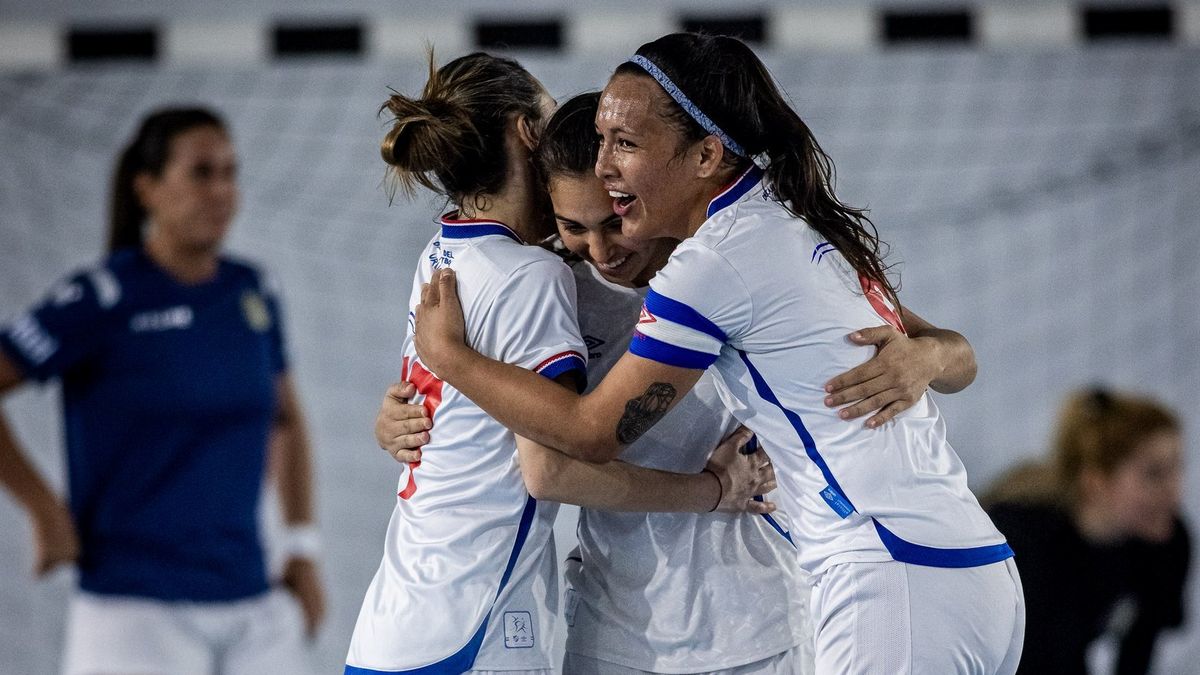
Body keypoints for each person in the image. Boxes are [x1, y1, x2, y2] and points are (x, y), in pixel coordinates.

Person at [410, 33, 1024, 674]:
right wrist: (411, 406)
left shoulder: (711, 265)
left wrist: (449, 357)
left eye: (625, 144)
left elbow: (590, 433)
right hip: (960, 565)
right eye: (602, 141)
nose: (605, 166)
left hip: (884, 572)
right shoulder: (785, 222)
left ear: (706, 153)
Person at [345, 54, 774, 675]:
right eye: (575, 226)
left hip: (408, 616)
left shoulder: (443, 254)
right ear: (528, 133)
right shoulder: (539, 275)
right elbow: (552, 466)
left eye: (613, 217)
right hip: (477, 625)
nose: (600, 250)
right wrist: (713, 490)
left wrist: (915, 353)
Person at [0, 107, 323, 675]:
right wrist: (43, 509)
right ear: (147, 188)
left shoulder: (253, 291)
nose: (221, 191)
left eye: (229, 173)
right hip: (133, 607)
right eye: (201, 173)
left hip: (252, 600)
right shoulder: (102, 297)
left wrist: (301, 547)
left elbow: (286, 419)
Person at [986, 388, 1189, 675]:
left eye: (1177, 468)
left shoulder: (1165, 543)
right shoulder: (1027, 546)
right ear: (1095, 482)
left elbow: (1139, 647)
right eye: (1153, 474)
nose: (1175, 493)